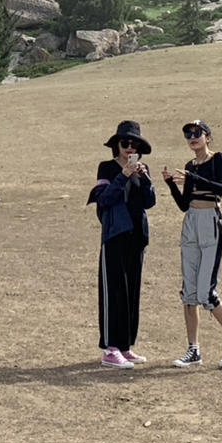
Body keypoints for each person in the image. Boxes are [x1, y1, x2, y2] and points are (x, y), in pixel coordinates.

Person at [162, 119, 222, 369]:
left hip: (211, 221)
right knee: (189, 292)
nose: (192, 137)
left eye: (197, 133)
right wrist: (171, 184)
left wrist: (195, 178)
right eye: (188, 134)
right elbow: (183, 204)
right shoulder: (190, 166)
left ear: (207, 137)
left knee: (206, 292)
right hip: (191, 221)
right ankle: (193, 350)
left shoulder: (217, 159)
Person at [87, 120, 156, 369]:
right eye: (125, 143)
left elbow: (149, 202)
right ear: (116, 145)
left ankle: (125, 346)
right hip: (115, 235)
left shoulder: (142, 169)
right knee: (113, 292)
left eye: (134, 144)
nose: (129, 148)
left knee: (131, 293)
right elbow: (105, 199)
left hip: (136, 237)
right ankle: (110, 348)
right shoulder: (106, 168)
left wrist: (144, 178)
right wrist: (123, 175)